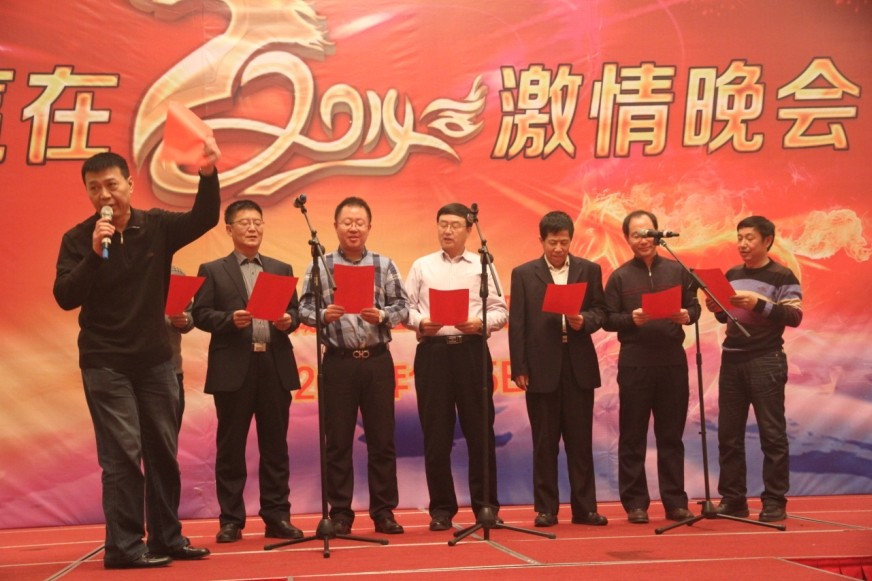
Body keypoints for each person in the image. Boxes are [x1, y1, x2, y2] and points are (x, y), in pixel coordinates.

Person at [53, 145, 219, 569]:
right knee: (123, 453)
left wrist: (207, 173)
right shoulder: (78, 239)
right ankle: (124, 546)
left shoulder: (156, 226)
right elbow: (65, 296)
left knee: (163, 451)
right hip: (105, 362)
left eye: (111, 184)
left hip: (155, 361)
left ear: (129, 184)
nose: (104, 195)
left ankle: (167, 537)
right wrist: (94, 254)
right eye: (94, 188)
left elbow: (204, 218)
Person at [192, 200, 304, 543]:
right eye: (244, 223)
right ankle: (231, 521)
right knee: (231, 448)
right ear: (229, 229)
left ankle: (277, 516)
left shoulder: (280, 268)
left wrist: (288, 321)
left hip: (273, 364)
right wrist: (229, 320)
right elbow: (200, 314)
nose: (252, 228)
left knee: (275, 447)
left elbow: (295, 312)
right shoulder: (212, 269)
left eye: (257, 222)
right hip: (233, 368)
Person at [299, 196, 409, 535]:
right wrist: (322, 315)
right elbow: (302, 308)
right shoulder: (320, 265)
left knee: (382, 440)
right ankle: (341, 514)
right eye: (347, 222)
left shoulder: (384, 264)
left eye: (359, 222)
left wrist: (383, 315)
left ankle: (384, 512)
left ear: (369, 227)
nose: (353, 228)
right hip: (339, 362)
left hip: (376, 360)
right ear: (335, 226)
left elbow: (403, 306)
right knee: (338, 442)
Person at [404, 203, 507, 532]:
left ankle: (486, 506)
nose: (447, 231)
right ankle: (441, 509)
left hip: (471, 351)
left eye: (455, 225)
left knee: (480, 432)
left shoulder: (482, 264)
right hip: (433, 353)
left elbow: (501, 311)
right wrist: (422, 322)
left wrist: (480, 323)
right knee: (436, 434)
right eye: (443, 224)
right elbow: (405, 309)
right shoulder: (422, 266)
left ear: (469, 230)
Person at [509, 211, 609, 528]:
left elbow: (601, 311)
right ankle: (546, 509)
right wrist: (519, 367)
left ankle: (585, 508)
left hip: (577, 363)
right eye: (552, 242)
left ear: (571, 240)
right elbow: (518, 323)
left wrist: (585, 320)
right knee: (545, 442)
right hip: (540, 366)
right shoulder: (524, 274)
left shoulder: (588, 270)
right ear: (541, 240)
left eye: (564, 242)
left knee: (580, 442)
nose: (558, 248)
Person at [603, 210, 700, 524]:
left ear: (658, 234)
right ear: (627, 239)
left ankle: (675, 502)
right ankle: (635, 503)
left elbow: (694, 306)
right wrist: (630, 319)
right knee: (632, 435)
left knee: (671, 436)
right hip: (635, 363)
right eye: (636, 235)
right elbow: (607, 318)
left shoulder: (677, 270)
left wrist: (688, 315)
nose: (643, 240)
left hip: (672, 361)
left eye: (648, 233)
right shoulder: (619, 277)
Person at [708, 216, 802, 523]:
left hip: (766, 359)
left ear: (767, 241)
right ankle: (733, 499)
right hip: (732, 359)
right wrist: (717, 308)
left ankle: (774, 501)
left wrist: (758, 304)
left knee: (772, 435)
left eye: (749, 238)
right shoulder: (732, 274)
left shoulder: (782, 275)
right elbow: (727, 317)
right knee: (728, 435)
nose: (743, 244)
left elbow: (794, 316)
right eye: (739, 238)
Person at [166, 265, 195, 431]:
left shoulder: (175, 274)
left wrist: (185, 320)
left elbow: (190, 314)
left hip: (171, 370)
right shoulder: (126, 273)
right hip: (129, 372)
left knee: (169, 435)